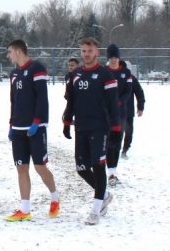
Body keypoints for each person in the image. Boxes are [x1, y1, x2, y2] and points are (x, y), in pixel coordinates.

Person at [62, 37, 120, 225]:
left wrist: (116, 129)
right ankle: (103, 195)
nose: (86, 54)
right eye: (84, 51)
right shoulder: (75, 75)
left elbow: (113, 105)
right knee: (81, 169)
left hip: (100, 128)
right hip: (81, 128)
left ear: (97, 52)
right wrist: (66, 121)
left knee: (98, 165)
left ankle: (95, 210)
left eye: (90, 51)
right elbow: (71, 101)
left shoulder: (105, 75)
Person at [4, 40, 59, 222]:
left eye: (10, 52)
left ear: (19, 51)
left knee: (40, 167)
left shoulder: (37, 69)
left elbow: (42, 98)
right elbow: (13, 101)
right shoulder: (13, 74)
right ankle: (25, 210)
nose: (8, 55)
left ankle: (54, 198)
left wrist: (37, 122)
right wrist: (11, 124)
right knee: (21, 168)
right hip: (18, 129)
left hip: (35, 128)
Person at [104, 44, 132, 186]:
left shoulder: (126, 73)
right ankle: (110, 171)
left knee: (116, 142)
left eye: (115, 57)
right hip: (106, 114)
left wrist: (119, 101)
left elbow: (128, 91)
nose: (113, 60)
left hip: (120, 114)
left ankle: (113, 172)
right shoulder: (104, 71)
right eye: (111, 57)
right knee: (108, 143)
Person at [121, 61, 145, 159]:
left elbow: (139, 93)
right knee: (113, 132)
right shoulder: (110, 76)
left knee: (128, 132)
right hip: (113, 112)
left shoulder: (131, 78)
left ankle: (125, 150)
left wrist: (140, 107)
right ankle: (111, 150)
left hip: (128, 112)